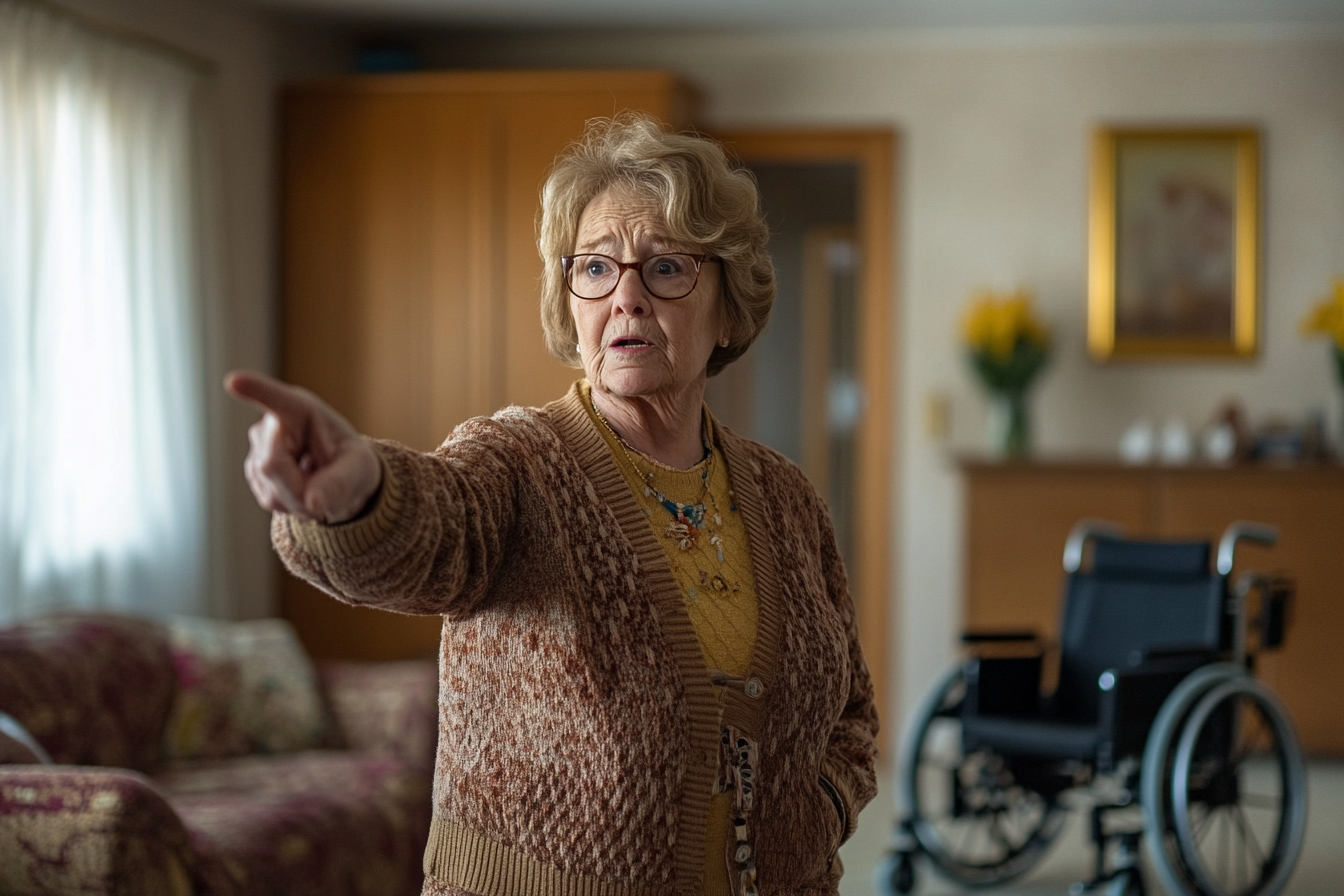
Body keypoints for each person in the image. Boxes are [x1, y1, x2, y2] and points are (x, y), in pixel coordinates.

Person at [227, 113, 878, 896]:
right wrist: (357, 492)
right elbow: (438, 526)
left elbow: (852, 713)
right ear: (571, 299)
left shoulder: (785, 496)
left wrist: (821, 810)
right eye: (596, 268)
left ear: (729, 305)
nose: (626, 297)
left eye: (666, 267)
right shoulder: (519, 459)